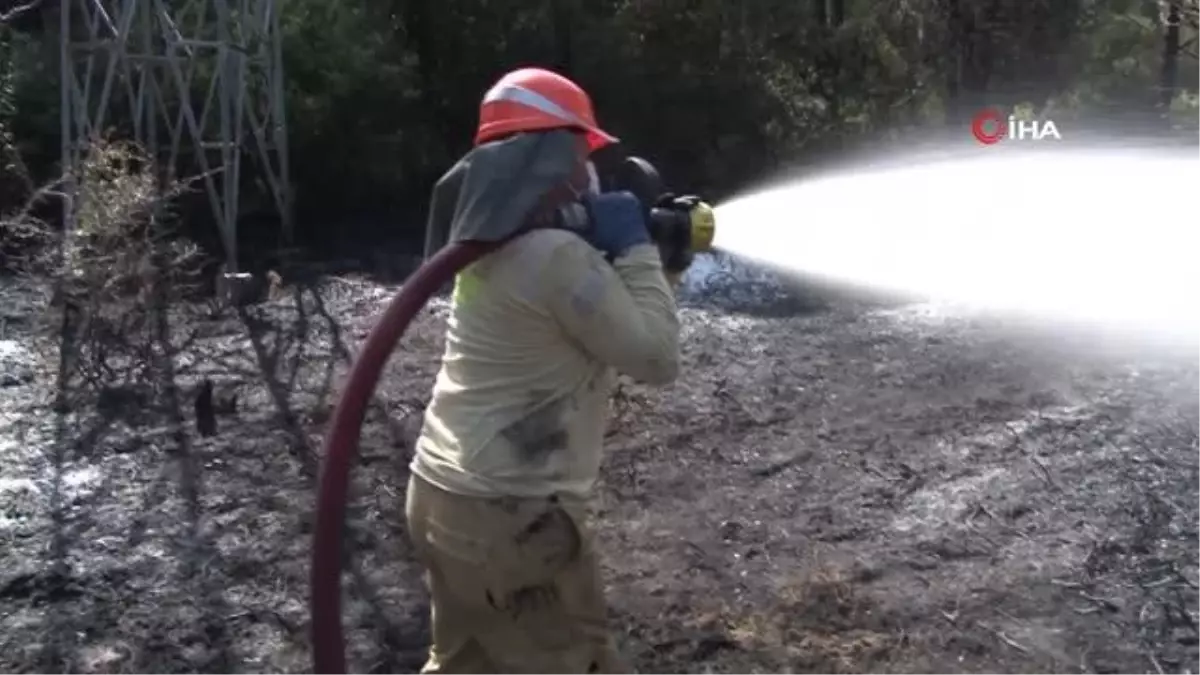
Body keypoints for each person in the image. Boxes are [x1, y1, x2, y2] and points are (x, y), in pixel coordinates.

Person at [405, 67, 683, 674]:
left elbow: (597, 324)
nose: (592, 172)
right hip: (512, 520)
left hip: (438, 495)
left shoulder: (486, 246)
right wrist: (638, 250)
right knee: (577, 662)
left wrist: (646, 263)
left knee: (464, 664)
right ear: (549, 160)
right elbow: (658, 358)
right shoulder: (558, 257)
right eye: (582, 153)